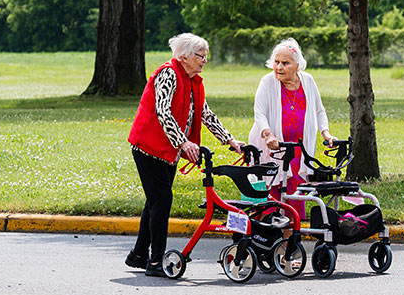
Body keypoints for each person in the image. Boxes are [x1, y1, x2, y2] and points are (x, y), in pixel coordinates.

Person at [126, 33, 245, 277]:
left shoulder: (193, 80)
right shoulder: (168, 73)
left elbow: (205, 114)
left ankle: (138, 254)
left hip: (168, 150)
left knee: (155, 201)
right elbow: (163, 111)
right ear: (184, 56)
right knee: (162, 200)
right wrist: (183, 142)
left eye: (206, 56)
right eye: (201, 56)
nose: (204, 61)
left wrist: (229, 140)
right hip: (148, 147)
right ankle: (156, 261)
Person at [248, 38, 338, 221]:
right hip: (272, 148)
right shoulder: (267, 82)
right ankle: (265, 238)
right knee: (270, 193)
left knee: (295, 193)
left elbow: (320, 110)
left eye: (285, 63)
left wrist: (326, 133)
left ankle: (290, 243)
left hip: (298, 150)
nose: (279, 67)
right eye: (276, 62)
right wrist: (268, 135)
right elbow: (259, 113)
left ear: (297, 65)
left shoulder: (308, 81)